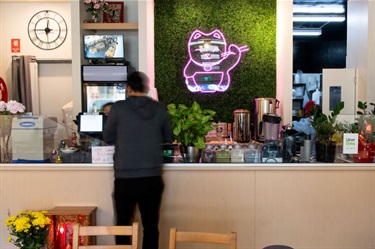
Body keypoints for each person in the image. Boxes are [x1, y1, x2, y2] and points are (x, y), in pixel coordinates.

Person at [103, 71, 173, 249]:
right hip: (152, 177)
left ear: (128, 89)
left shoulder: (118, 108)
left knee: (123, 224)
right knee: (150, 225)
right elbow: (168, 137)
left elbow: (108, 137)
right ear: (146, 88)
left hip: (125, 177)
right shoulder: (160, 108)